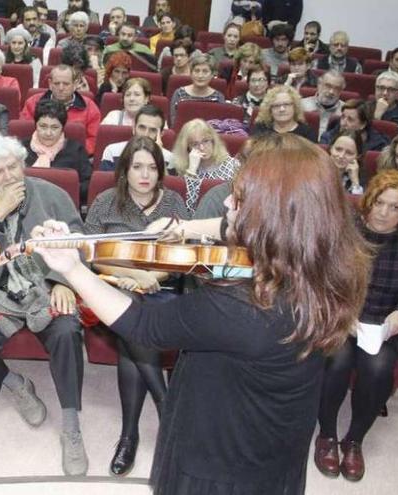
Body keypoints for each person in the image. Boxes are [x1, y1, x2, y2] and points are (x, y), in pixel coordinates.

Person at [31, 132, 373, 495]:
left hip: (221, 456)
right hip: (279, 439)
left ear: (272, 215)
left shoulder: (243, 308)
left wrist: (72, 268)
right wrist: (185, 228)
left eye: (240, 200)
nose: (226, 202)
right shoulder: (323, 260)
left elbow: (144, 325)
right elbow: (229, 226)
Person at [0, 133, 88, 476]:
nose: (9, 176)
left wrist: (63, 282)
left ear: (23, 165)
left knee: (68, 331)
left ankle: (71, 424)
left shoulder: (53, 195)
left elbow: (81, 244)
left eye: (13, 167)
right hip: (0, 293)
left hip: (44, 286)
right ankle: (16, 386)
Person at [315, 169, 398, 483]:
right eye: (381, 203)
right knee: (336, 364)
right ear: (370, 200)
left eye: (395, 208)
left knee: (378, 370)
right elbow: (324, 277)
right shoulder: (347, 229)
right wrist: (342, 312)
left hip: (383, 324)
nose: (385, 213)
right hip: (344, 317)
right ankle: (326, 434)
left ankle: (354, 439)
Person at [86, 134, 186, 477]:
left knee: (132, 338)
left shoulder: (174, 203)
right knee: (127, 309)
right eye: (137, 167)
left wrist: (150, 279)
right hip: (115, 289)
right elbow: (93, 255)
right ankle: (165, 404)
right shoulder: (105, 202)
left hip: (164, 291)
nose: (145, 174)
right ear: (124, 170)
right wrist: (130, 276)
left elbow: (180, 256)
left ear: (161, 172)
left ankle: (129, 436)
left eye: (152, 168)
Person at [21, 65, 101, 156]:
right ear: (50, 84)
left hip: (74, 157)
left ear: (75, 84)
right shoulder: (33, 103)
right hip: (37, 154)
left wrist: (69, 153)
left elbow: (94, 140)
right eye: (57, 83)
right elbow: (25, 133)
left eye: (66, 84)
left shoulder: (90, 107)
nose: (61, 88)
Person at [23, 99, 92, 204]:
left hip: (63, 205)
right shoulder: (21, 149)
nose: (48, 133)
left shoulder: (76, 150)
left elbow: (88, 185)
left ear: (62, 128)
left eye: (54, 127)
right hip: (24, 205)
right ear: (35, 125)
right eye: (43, 126)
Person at [171, 118, 241, 212]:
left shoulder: (233, 165)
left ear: (213, 141)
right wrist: (192, 169)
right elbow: (187, 209)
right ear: (187, 148)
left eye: (206, 141)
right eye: (195, 144)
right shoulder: (186, 170)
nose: (202, 148)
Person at [100, 105, 173, 172]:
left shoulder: (170, 158)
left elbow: (166, 185)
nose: (146, 134)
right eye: (142, 127)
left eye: (153, 130)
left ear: (161, 134)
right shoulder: (112, 152)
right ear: (134, 128)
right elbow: (111, 184)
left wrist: (159, 157)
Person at [168, 53, 226, 128]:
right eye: (196, 71)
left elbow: (219, 127)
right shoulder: (179, 93)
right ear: (191, 73)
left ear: (212, 74)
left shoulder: (218, 97)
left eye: (205, 71)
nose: (200, 76)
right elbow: (174, 124)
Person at [320, 99, 390, 153]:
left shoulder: (377, 145)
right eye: (343, 117)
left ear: (363, 124)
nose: (343, 123)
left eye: (350, 120)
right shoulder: (327, 138)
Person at [251, 85, 315, 141]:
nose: (282, 109)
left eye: (286, 104)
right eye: (276, 105)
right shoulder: (261, 128)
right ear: (270, 109)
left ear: (295, 107)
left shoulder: (307, 133)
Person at [300, 70, 345, 139]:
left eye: (337, 88)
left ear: (341, 91)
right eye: (328, 86)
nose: (331, 92)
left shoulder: (345, 112)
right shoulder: (301, 105)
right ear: (319, 84)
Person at [327, 129, 365, 194]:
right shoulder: (316, 169)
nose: (341, 156)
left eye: (349, 153)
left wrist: (355, 182)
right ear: (331, 148)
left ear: (358, 156)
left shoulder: (363, 180)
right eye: (338, 149)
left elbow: (358, 203)